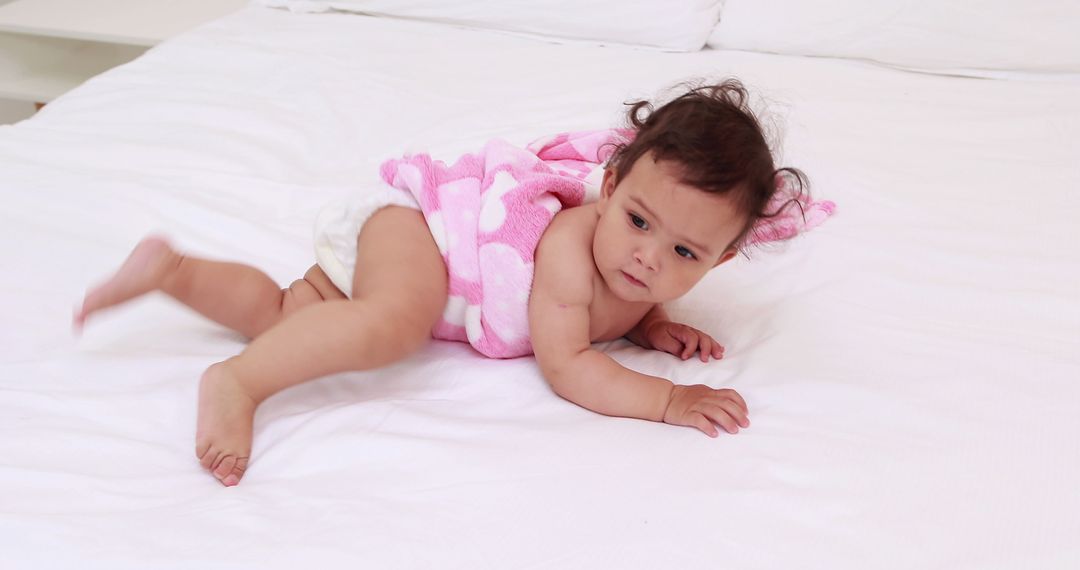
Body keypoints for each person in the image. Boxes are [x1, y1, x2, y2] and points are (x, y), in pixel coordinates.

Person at [74, 79, 811, 487]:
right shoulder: (569, 243)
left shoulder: (643, 273)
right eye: (639, 221)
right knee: (391, 324)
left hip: (410, 250)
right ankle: (237, 384)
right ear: (609, 185)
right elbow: (570, 362)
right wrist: (668, 399)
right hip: (422, 232)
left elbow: (617, 311)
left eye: (685, 252)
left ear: (717, 261)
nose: (648, 260)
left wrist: (651, 326)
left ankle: (171, 271)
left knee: (286, 317)